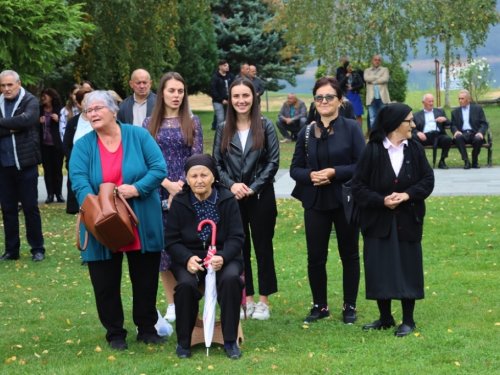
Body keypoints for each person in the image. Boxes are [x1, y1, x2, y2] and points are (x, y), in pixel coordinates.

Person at [70, 90, 167, 350]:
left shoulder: (139, 136)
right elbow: (78, 179)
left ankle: (147, 328)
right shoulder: (83, 145)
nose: (93, 114)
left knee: (145, 279)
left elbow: (159, 168)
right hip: (101, 222)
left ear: (114, 111)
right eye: (89, 111)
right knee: (105, 283)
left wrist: (136, 189)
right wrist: (99, 206)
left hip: (141, 219)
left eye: (98, 108)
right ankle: (115, 334)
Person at [351, 103, 434, 337]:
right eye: (409, 120)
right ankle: (385, 318)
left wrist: (407, 195)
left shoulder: (415, 149)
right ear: (395, 123)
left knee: (408, 266)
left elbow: (427, 180)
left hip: (408, 219)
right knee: (380, 267)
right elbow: (358, 186)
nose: (414, 124)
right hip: (377, 221)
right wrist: (381, 200)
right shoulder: (373, 150)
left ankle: (408, 320)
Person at [290, 77, 365, 325]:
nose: (324, 101)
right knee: (315, 257)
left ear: (340, 101)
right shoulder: (306, 132)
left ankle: (349, 306)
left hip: (345, 200)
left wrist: (334, 172)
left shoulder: (351, 128)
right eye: (319, 97)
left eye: (329, 97)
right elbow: (294, 169)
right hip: (315, 201)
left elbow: (361, 166)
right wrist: (311, 175)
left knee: (350, 255)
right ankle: (319, 306)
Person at [165, 154, 245, 360]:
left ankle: (230, 341)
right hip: (191, 257)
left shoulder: (227, 199)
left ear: (213, 177)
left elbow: (237, 236)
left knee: (229, 280)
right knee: (185, 285)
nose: (199, 180)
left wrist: (223, 257)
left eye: (204, 175)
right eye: (193, 176)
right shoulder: (181, 202)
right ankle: (184, 342)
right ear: (187, 179)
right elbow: (171, 240)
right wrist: (187, 259)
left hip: (223, 255)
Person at [213, 78, 279, 320]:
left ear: (254, 98)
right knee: (239, 248)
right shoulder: (223, 128)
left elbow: (273, 162)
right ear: (230, 99)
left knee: (263, 247)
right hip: (232, 199)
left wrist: (251, 187)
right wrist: (232, 185)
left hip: (260, 196)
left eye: (246, 96)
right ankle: (247, 298)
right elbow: (216, 164)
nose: (241, 101)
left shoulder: (265, 125)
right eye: (236, 96)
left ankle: (263, 301)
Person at [143, 72, 203, 323]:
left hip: (188, 190)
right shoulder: (149, 123)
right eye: (171, 91)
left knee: (191, 246)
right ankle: (172, 304)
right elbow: (145, 158)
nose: (176, 95)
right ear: (162, 93)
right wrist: (166, 183)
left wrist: (182, 184)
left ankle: (192, 297)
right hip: (159, 190)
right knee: (165, 252)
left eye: (180, 91)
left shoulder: (192, 120)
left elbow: (197, 155)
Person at [0, 70, 46, 262]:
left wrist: (4, 126)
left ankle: (37, 248)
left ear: (18, 84)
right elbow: (20, 122)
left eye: (10, 85)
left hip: (25, 164)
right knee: (8, 209)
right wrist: (12, 127)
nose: (6, 89)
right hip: (4, 165)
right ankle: (12, 250)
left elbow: (28, 120)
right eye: (2, 85)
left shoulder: (30, 100)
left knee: (30, 207)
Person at [62, 87, 93, 215]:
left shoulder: (100, 120)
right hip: (77, 165)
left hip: (97, 164)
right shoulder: (73, 122)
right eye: (86, 100)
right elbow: (66, 145)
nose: (90, 103)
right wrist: (75, 160)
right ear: (79, 104)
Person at [412, 93, 452, 169]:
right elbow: (412, 128)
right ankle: (419, 162)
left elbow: (449, 123)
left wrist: (444, 119)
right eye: (429, 101)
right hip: (425, 136)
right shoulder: (416, 115)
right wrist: (418, 132)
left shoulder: (440, 112)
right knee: (413, 138)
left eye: (432, 101)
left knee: (447, 139)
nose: (431, 103)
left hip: (438, 135)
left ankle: (442, 161)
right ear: (423, 102)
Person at [451, 89, 488, 169]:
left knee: (478, 139)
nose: (460, 101)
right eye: (459, 99)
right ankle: (466, 161)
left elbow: (483, 123)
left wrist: (481, 132)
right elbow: (453, 125)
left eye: (462, 99)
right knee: (458, 137)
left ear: (469, 99)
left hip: (475, 133)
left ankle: (475, 161)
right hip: (463, 134)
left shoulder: (478, 109)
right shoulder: (455, 112)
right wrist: (456, 131)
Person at [39, 88, 65, 204]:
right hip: (44, 144)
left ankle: (58, 193)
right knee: (47, 170)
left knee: (57, 170)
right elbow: (34, 126)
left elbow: (65, 125)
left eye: (45, 96)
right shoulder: (40, 110)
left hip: (57, 144)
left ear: (51, 97)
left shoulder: (60, 110)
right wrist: (39, 122)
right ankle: (50, 194)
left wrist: (59, 120)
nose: (43, 98)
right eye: (42, 96)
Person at [336, 56, 365, 129]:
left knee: (358, 114)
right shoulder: (340, 72)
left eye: (351, 66)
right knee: (344, 114)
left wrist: (353, 88)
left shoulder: (356, 73)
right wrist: (346, 77)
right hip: (345, 95)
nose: (350, 68)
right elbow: (339, 84)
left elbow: (361, 84)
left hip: (355, 94)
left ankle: (359, 132)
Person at [364, 55, 390, 135]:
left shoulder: (385, 70)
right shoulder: (367, 70)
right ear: (372, 61)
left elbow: (385, 79)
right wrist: (378, 77)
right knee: (372, 118)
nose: (377, 61)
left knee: (384, 117)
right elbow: (366, 78)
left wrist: (373, 81)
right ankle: (374, 135)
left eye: (379, 60)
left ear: (381, 61)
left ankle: (384, 134)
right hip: (371, 98)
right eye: (375, 60)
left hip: (382, 98)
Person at [210, 59, 235, 130]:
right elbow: (213, 90)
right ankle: (219, 135)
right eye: (225, 66)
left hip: (229, 101)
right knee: (220, 118)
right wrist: (221, 100)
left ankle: (227, 135)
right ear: (220, 67)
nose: (227, 67)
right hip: (218, 101)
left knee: (228, 119)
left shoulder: (231, 76)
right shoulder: (215, 77)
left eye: (227, 65)